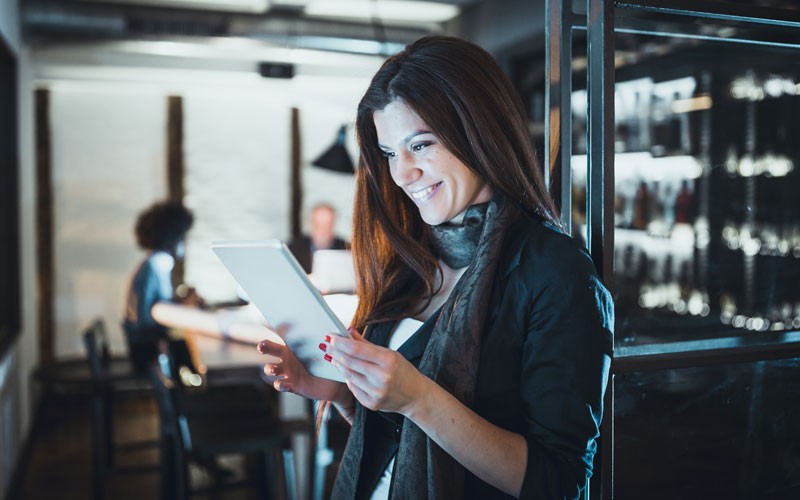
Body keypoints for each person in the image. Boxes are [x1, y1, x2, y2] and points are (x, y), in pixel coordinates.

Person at [258, 36, 613, 500]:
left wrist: (418, 398)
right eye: (389, 154)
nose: (402, 173)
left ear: (479, 131)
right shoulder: (412, 261)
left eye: (420, 145)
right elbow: (396, 436)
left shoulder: (556, 274)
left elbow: (559, 481)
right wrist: (342, 393)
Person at [122, 200, 200, 373]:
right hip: (148, 350)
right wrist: (183, 304)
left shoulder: (151, 262)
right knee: (190, 350)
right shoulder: (159, 263)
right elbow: (151, 316)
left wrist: (180, 301)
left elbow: (156, 305)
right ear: (172, 236)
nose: (184, 242)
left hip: (143, 342)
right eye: (182, 236)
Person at [288, 202, 349, 274]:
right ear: (311, 223)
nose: (322, 230)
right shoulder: (294, 249)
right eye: (318, 225)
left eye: (327, 225)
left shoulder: (347, 249)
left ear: (333, 224)